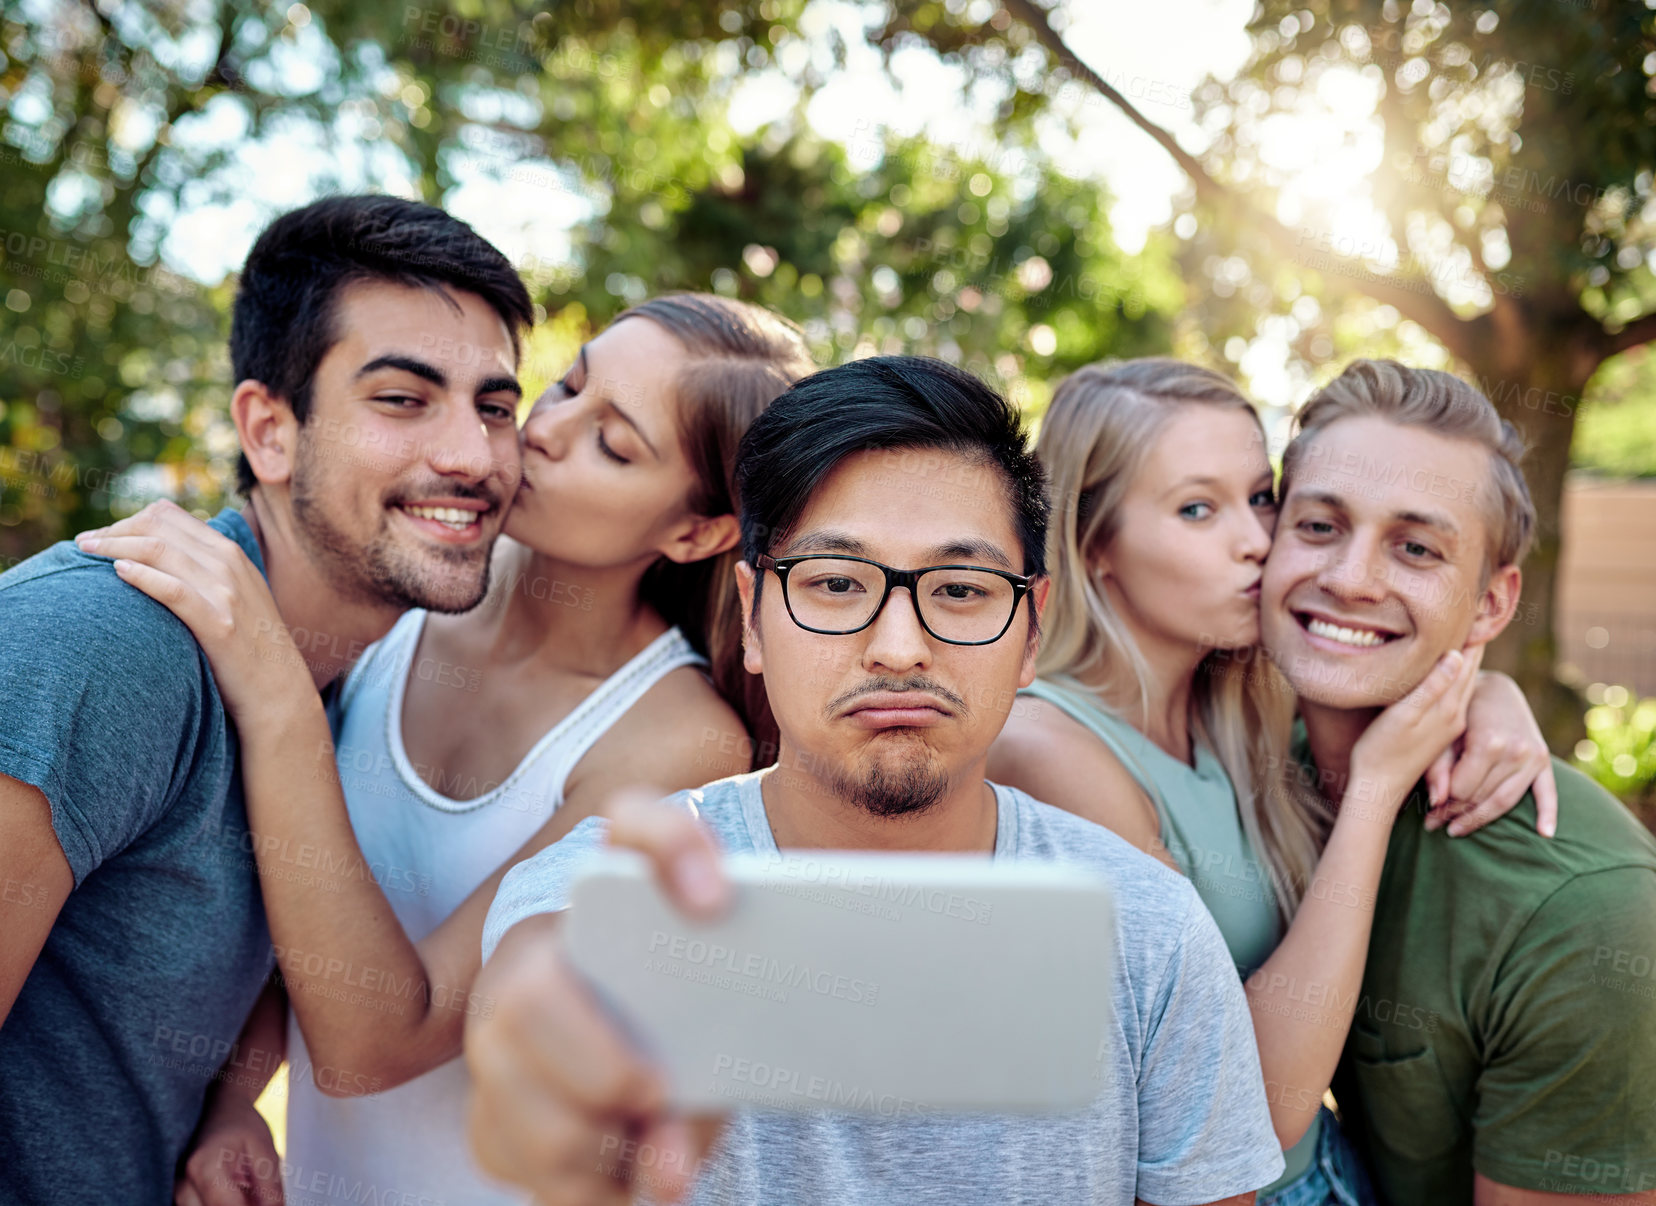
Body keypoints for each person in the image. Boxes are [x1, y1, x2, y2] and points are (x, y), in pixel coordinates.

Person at [465, 355, 1292, 1206]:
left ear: (1032, 628)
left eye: (962, 589)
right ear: (752, 616)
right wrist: (550, 1030)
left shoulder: (1150, 932)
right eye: (835, 583)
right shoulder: (617, 890)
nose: (899, 648)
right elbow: (539, 978)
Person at [82, 295, 817, 1205]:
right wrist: (237, 1101)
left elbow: (383, 1040)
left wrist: (279, 699)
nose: (545, 430)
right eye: (568, 385)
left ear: (695, 532)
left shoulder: (679, 737)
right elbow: (306, 908)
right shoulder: (418, 580)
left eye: (613, 443)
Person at [0, 194, 533, 1203]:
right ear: (270, 430)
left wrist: (233, 1100)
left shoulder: (343, 683)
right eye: (403, 400)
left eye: (495, 407)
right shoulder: (108, 646)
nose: (472, 456)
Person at [987, 359, 1558, 1205]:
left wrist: (1490, 692)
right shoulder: (1046, 749)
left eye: (1261, 498)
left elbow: (1387, 657)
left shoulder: (1237, 708)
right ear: (1095, 543)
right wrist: (1373, 793)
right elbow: (1245, 1117)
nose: (1258, 540)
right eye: (1196, 508)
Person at [1259, 360, 1656, 1205]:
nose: (1350, 579)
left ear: (1491, 605)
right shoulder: (1225, 762)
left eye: (1416, 548)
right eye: (1320, 525)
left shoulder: (1590, 914)